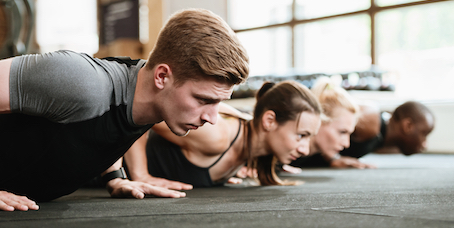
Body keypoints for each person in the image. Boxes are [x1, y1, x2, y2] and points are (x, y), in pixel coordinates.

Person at [0, 8, 249, 212]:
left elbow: (107, 118)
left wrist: (115, 176)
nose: (211, 118)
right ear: (163, 76)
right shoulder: (81, 80)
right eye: (204, 100)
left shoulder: (149, 98)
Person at [120, 80, 322, 188]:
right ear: (269, 121)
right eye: (301, 136)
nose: (305, 149)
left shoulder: (247, 151)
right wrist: (141, 175)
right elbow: (139, 112)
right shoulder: (217, 137)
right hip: (97, 173)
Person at [292, 99, 434, 169]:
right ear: (407, 126)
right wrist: (333, 158)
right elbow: (331, 118)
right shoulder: (372, 119)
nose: (425, 144)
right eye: (424, 134)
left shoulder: (383, 140)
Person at [288, 76, 367, 170]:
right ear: (319, 121)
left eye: (349, 134)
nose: (346, 144)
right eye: (342, 132)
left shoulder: (320, 156)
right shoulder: (284, 149)